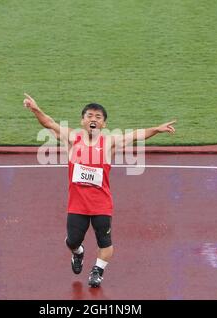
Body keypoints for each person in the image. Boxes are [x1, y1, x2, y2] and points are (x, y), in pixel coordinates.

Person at [23, 93, 176, 287]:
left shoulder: (109, 143)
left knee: (105, 243)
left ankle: (98, 270)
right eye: (89, 116)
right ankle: (78, 253)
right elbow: (49, 123)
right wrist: (35, 109)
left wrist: (157, 129)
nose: (93, 119)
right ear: (82, 121)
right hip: (77, 204)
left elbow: (136, 135)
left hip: (101, 204)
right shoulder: (72, 138)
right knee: (72, 241)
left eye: (98, 117)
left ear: (103, 124)